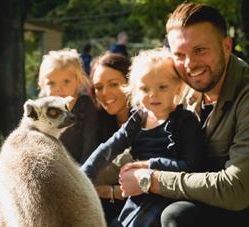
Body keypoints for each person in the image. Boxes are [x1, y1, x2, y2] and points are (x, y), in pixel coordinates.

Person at [119, 3, 249, 226]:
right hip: (200, 190)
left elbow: (236, 190)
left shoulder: (245, 94)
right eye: (179, 54)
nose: (190, 64)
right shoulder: (183, 86)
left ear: (227, 46)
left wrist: (150, 179)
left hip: (238, 203)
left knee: (177, 215)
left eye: (200, 50)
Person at [82, 48, 205, 226]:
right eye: (144, 89)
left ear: (178, 88)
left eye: (162, 87)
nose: (153, 94)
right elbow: (109, 148)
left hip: (167, 194)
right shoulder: (139, 119)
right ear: (135, 91)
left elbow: (193, 167)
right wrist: (83, 176)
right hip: (138, 196)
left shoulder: (185, 121)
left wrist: (150, 165)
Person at [89, 52, 132, 224]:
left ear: (130, 82)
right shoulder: (97, 122)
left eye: (114, 84)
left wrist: (109, 191)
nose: (105, 93)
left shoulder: (148, 118)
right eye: (98, 87)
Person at [38, 48, 99, 164]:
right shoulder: (41, 108)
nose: (58, 88)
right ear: (42, 85)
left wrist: (84, 174)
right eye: (51, 83)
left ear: (78, 81)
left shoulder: (85, 105)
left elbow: (90, 143)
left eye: (66, 81)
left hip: (81, 166)